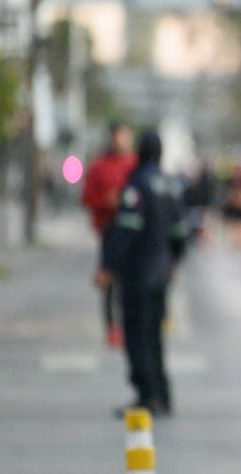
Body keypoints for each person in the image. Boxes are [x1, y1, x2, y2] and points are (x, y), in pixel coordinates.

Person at [95, 129, 190, 417]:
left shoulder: (137, 185)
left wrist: (108, 266)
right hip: (161, 271)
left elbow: (126, 229)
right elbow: (179, 230)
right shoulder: (170, 185)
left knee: (136, 333)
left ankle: (146, 395)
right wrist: (173, 262)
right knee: (156, 334)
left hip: (138, 272)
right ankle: (162, 393)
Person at [81, 121, 137, 348]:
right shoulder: (100, 166)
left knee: (130, 281)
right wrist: (105, 201)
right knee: (109, 280)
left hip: (134, 231)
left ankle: (128, 325)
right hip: (111, 227)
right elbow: (86, 197)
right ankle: (111, 327)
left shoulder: (135, 163)